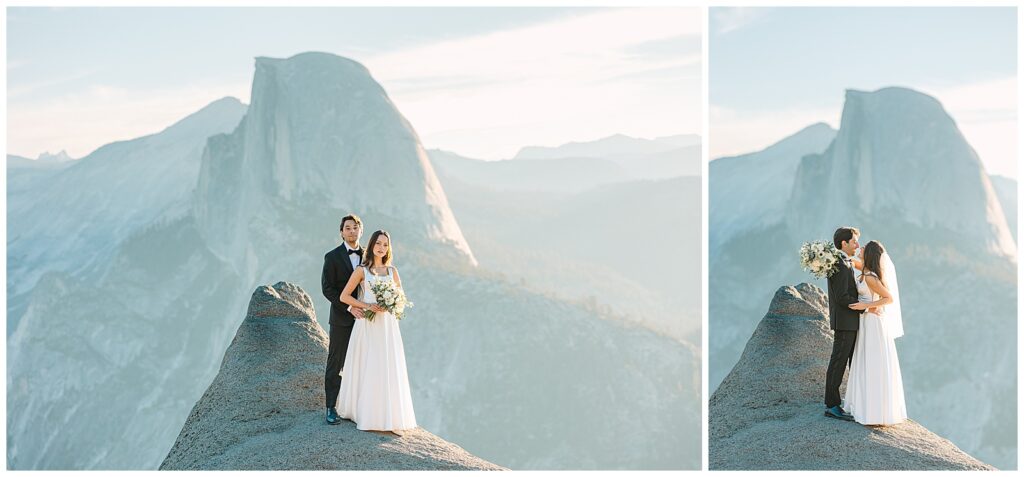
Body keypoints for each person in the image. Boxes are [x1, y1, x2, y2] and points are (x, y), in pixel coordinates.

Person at [336, 230, 417, 434]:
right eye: (378, 243)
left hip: (388, 326)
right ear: (371, 245)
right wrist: (366, 305)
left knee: (387, 366)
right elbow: (344, 296)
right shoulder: (362, 271)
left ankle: (388, 415)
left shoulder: (392, 271)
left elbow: (401, 298)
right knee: (369, 365)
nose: (382, 247)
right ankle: (364, 413)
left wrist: (392, 303)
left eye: (385, 244)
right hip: (368, 325)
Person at [321, 214, 366, 425]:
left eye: (355, 227)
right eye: (347, 228)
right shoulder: (331, 257)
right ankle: (331, 407)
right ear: (341, 232)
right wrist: (349, 307)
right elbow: (327, 289)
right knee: (336, 362)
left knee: (363, 363)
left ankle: (358, 407)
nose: (351, 231)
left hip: (367, 320)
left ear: (360, 231)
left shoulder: (370, 257)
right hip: (341, 319)